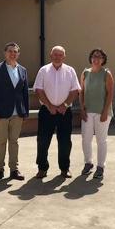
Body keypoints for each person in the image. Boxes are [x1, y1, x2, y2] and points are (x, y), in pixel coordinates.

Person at [34, 45, 80, 178]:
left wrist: (65, 105)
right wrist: (49, 106)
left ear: (64, 57)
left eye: (60, 55)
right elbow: (39, 90)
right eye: (55, 54)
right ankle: (42, 168)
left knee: (65, 141)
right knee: (43, 141)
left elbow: (75, 90)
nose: (57, 57)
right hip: (46, 111)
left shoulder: (70, 71)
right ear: (50, 55)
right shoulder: (43, 70)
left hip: (65, 111)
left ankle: (65, 168)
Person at [0, 42, 30, 182]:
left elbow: (25, 94)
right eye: (10, 51)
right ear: (5, 53)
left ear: (18, 54)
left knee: (14, 142)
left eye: (15, 51)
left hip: (18, 113)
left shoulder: (22, 70)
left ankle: (14, 170)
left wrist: (25, 112)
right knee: (1, 142)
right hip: (1, 114)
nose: (12, 54)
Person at [79, 48, 114, 180]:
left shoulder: (106, 73)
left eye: (99, 57)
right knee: (85, 139)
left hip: (102, 112)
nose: (96, 59)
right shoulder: (85, 73)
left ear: (103, 59)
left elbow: (110, 93)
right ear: (91, 58)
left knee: (101, 140)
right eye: (94, 56)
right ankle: (88, 163)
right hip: (87, 112)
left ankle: (100, 167)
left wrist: (105, 111)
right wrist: (82, 109)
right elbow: (81, 92)